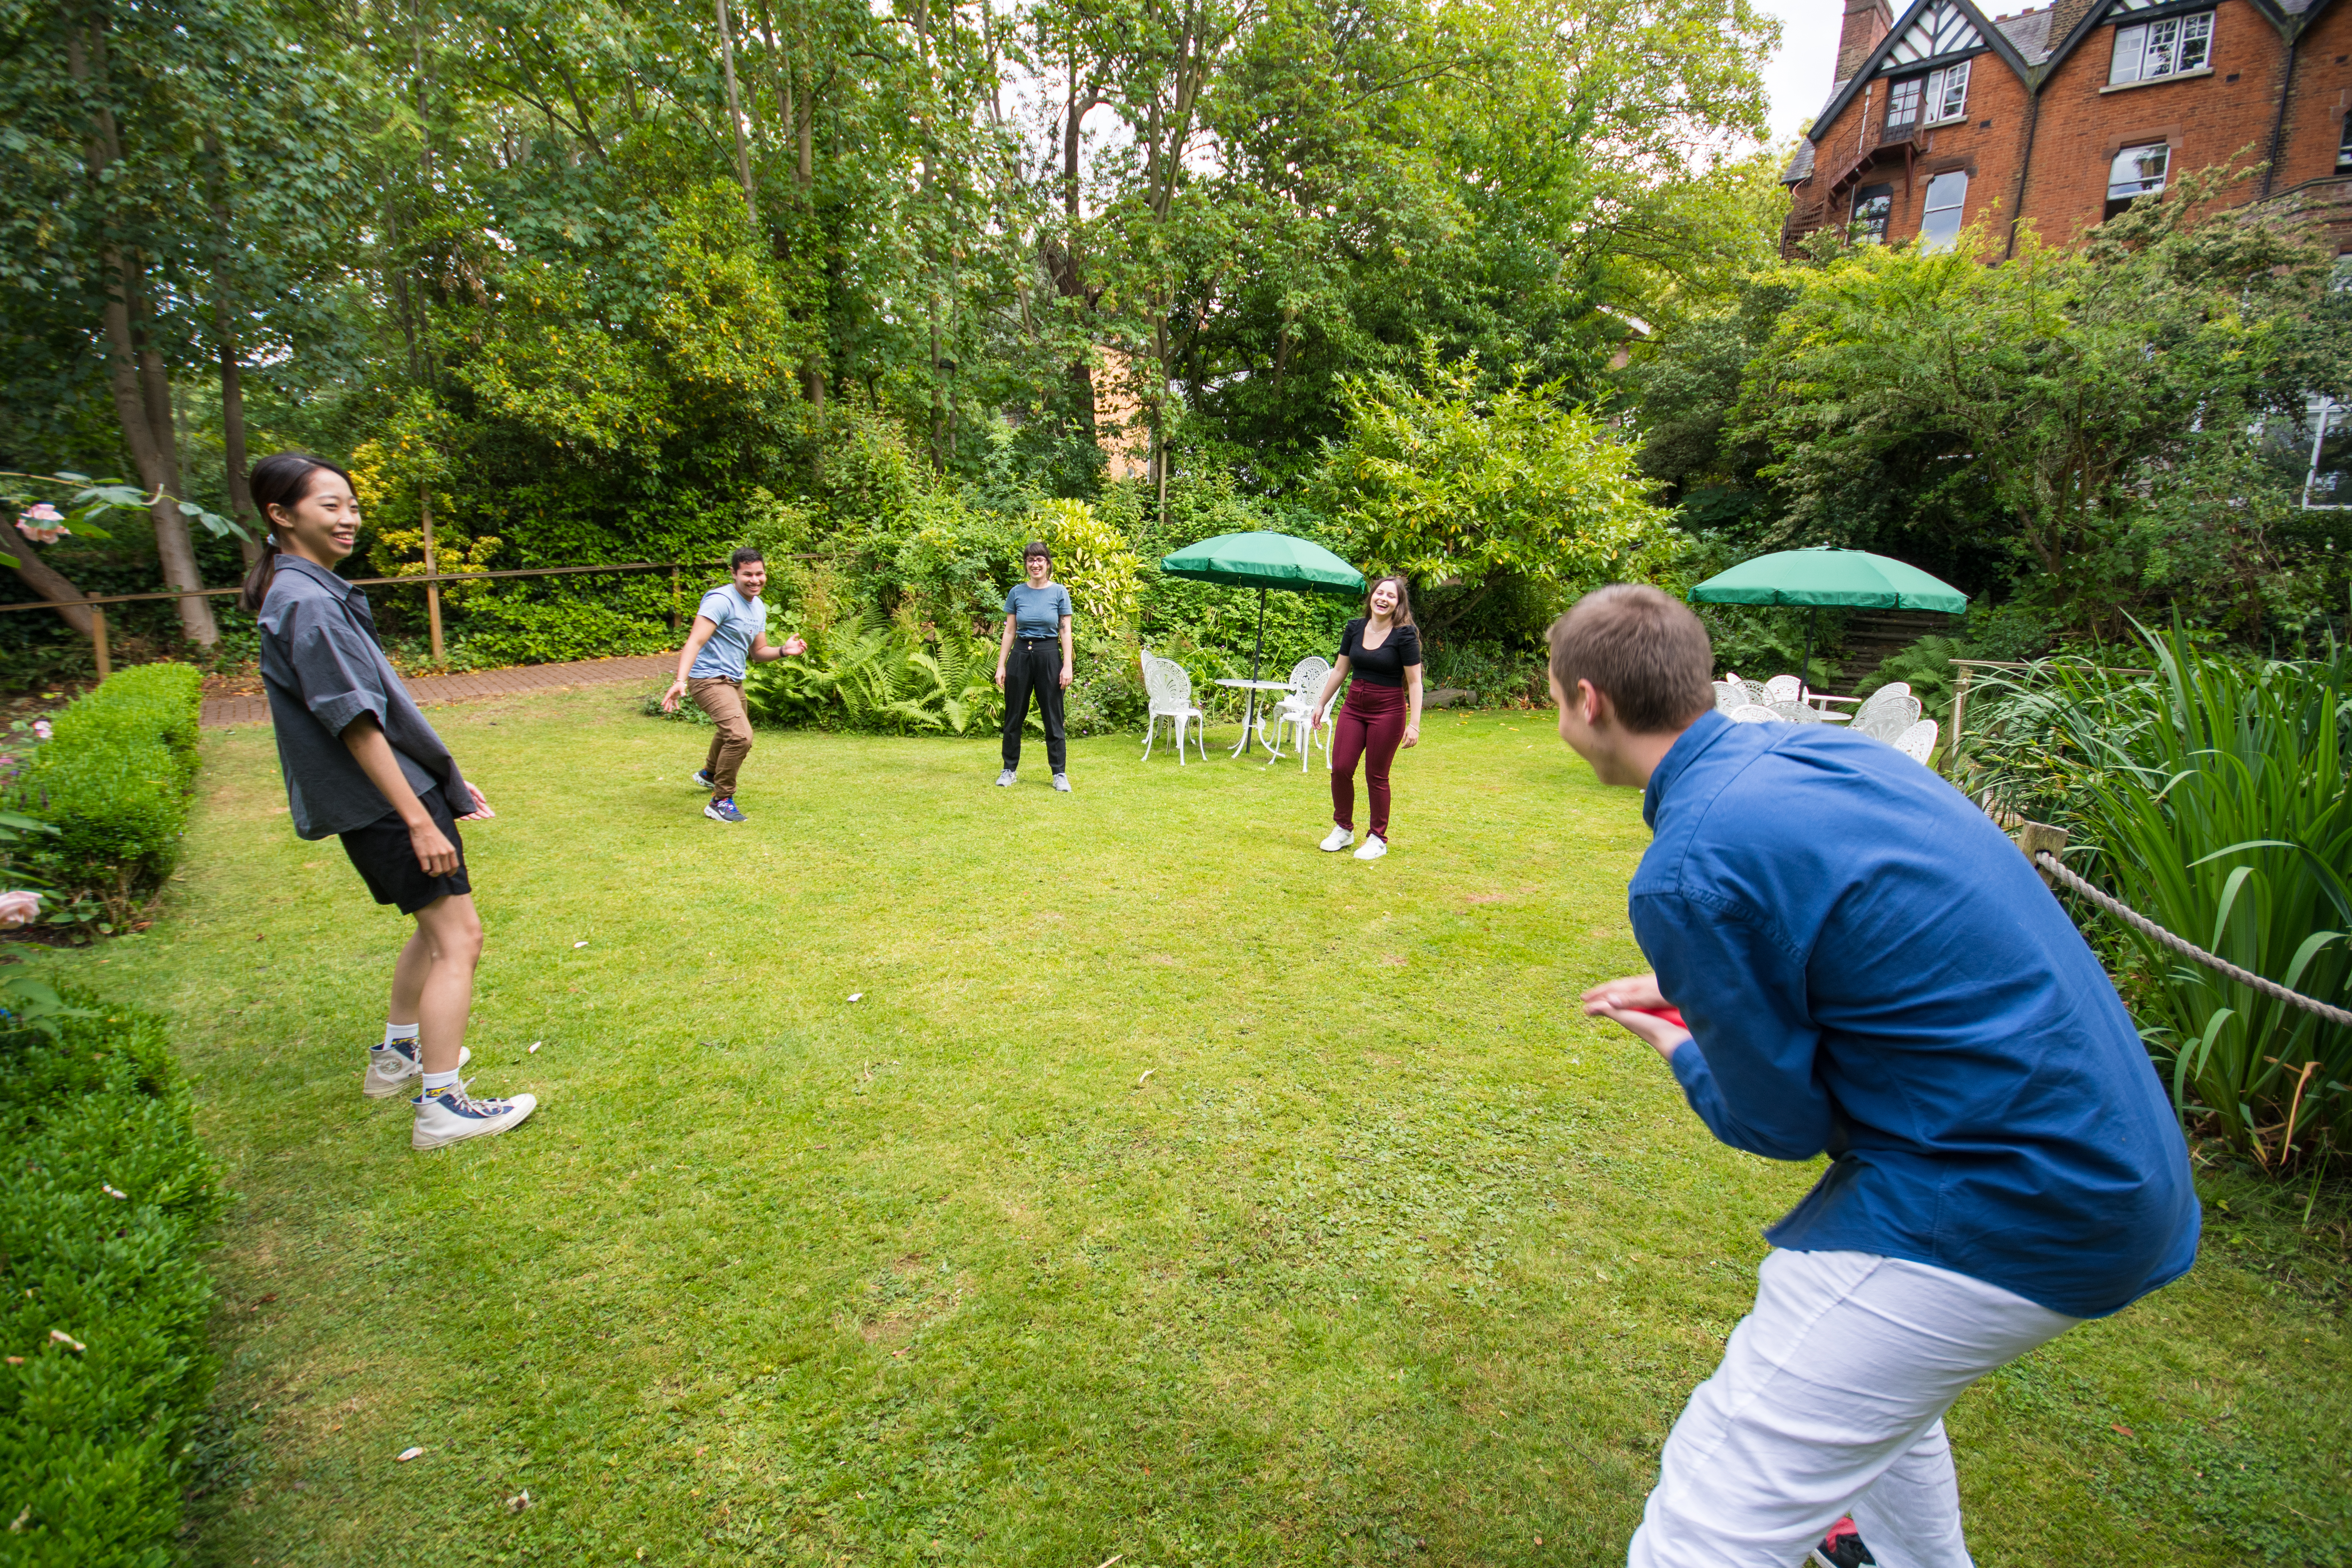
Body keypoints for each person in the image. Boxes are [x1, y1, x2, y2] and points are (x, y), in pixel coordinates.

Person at [1550, 585, 2199, 1568]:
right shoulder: (1823, 753)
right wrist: (1695, 981)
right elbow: (1849, 923)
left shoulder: (1684, 867)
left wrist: (1678, 1043)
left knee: (1708, 1519)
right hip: (2117, 1161)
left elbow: (1777, 1119)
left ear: (1587, 701)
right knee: (1868, 1381)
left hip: (2011, 1191)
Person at [242, 452, 538, 1151]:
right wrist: (416, 815)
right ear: (281, 516)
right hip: (384, 805)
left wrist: (444, 782)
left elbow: (379, 715)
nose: (349, 519)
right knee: (459, 939)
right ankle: (442, 1106)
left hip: (394, 795)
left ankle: (399, 1055)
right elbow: (354, 722)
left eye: (351, 505)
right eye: (330, 506)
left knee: (431, 928)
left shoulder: (303, 592)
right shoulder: (307, 601)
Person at [659, 547, 806, 823]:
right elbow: (695, 641)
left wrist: (784, 651)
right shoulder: (721, 601)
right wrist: (680, 680)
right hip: (708, 679)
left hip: (733, 681)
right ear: (734, 574)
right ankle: (721, 800)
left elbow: (758, 652)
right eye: (747, 574)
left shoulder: (757, 606)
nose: (755, 580)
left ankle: (710, 774)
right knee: (740, 736)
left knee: (732, 732)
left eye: (759, 573)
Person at [1307, 575, 1423, 860]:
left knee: (1376, 775)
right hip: (1354, 706)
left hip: (1388, 709)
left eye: (1391, 596)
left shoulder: (1404, 635)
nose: (1383, 599)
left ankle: (1377, 838)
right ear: (1371, 596)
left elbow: (1416, 682)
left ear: (1399, 604)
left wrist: (1415, 724)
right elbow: (1340, 670)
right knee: (1342, 768)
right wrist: (1322, 704)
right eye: (1379, 593)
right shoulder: (1355, 628)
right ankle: (1343, 829)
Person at [994, 540, 1074, 792]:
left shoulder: (1059, 592)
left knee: (1053, 717)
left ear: (1048, 563)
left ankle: (1059, 774)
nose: (1035, 564)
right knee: (1014, 715)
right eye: (1030, 560)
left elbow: (1065, 631)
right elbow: (1009, 631)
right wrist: (1002, 665)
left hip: (1049, 656)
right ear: (1026, 564)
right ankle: (1009, 770)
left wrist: (1067, 665)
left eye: (1040, 560)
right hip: (1020, 656)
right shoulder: (1017, 593)